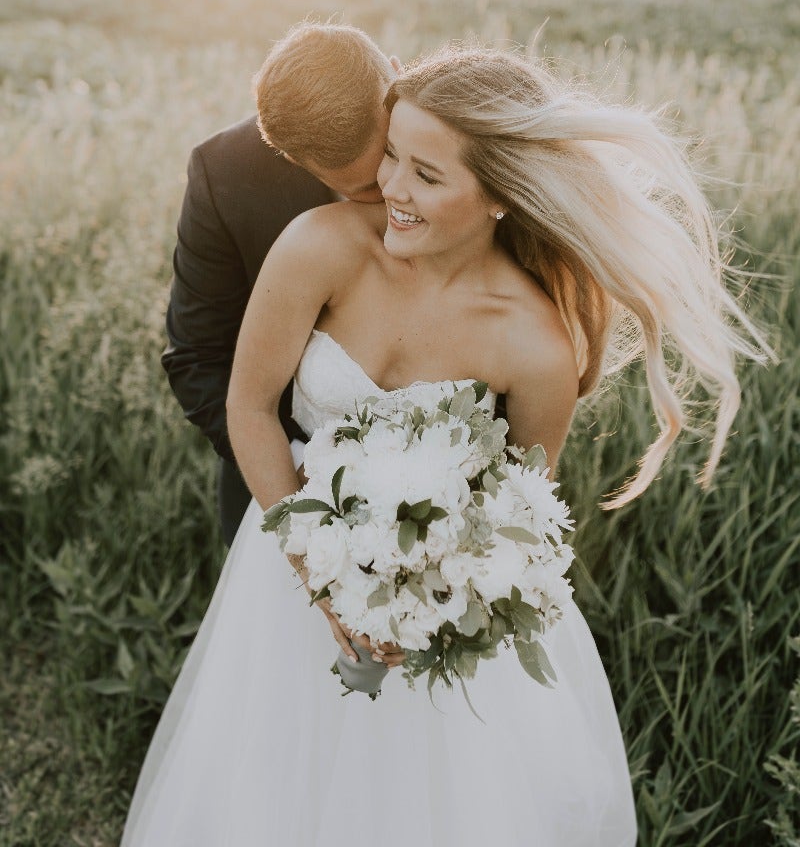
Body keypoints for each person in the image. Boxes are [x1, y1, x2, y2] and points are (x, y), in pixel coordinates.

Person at [123, 46, 766, 846]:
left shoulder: (535, 347)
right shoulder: (317, 243)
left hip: (431, 607)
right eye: (390, 156)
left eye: (425, 175)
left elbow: (517, 512)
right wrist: (321, 573)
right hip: (286, 563)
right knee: (266, 786)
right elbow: (247, 404)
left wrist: (424, 596)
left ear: (498, 196)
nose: (390, 187)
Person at [161, 20, 396, 544]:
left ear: (397, 77)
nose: (395, 189)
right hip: (280, 487)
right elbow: (196, 357)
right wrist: (291, 476)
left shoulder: (459, 133)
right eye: (365, 187)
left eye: (393, 157)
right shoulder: (224, 173)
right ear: (290, 158)